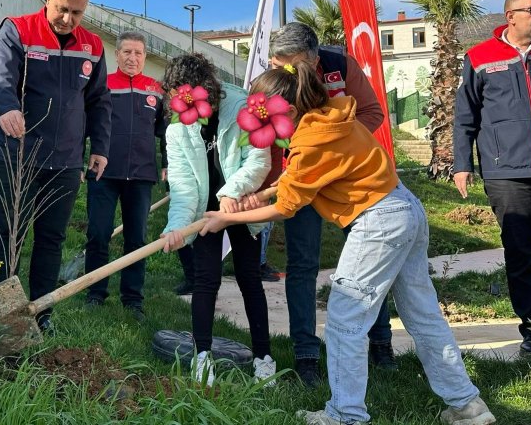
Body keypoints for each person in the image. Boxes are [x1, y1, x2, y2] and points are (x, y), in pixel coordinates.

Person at [201, 63, 496, 425]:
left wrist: (226, 219)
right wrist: (259, 195)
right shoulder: (329, 119)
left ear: (288, 112)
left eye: (264, 116)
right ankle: (467, 405)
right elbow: (301, 179)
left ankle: (345, 414)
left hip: (378, 223)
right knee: (422, 314)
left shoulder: (309, 141)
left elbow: (287, 207)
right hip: (405, 208)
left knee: (345, 318)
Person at [268, 22, 395, 385]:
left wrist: (337, 152)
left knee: (367, 263)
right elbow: (266, 128)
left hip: (347, 182)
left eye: (288, 64)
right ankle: (305, 354)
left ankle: (381, 342)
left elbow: (372, 112)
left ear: (312, 58)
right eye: (275, 64)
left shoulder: (341, 65)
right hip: (302, 175)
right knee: (301, 263)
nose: (280, 71)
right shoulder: (274, 77)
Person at [0, 0, 111, 332]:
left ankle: (41, 316)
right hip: (17, 155)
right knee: (8, 234)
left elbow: (99, 101)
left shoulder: (93, 47)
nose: (68, 19)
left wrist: (100, 147)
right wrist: (7, 107)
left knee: (51, 240)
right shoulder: (18, 30)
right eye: (62, 9)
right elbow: (0, 75)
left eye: (77, 13)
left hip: (65, 162)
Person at [159, 54, 276, 387]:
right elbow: (183, 186)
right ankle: (202, 356)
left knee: (249, 277)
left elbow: (258, 161)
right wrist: (176, 228)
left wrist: (231, 193)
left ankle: (263, 357)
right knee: (205, 279)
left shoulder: (241, 106)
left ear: (205, 89)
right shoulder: (176, 128)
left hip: (243, 202)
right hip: (206, 211)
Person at [454, 0, 531, 358]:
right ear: (511, 16)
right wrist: (462, 164)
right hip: (506, 174)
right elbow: (465, 116)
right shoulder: (479, 57)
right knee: (519, 254)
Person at [84, 31, 166, 321]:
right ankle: (95, 293)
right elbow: (83, 123)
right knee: (98, 234)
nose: (133, 58)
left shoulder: (156, 90)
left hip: (141, 176)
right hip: (103, 174)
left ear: (144, 56)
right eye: (127, 52)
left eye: (138, 53)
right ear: (117, 55)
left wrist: (168, 163)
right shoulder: (102, 85)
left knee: (137, 239)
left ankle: (133, 299)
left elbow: (167, 132)